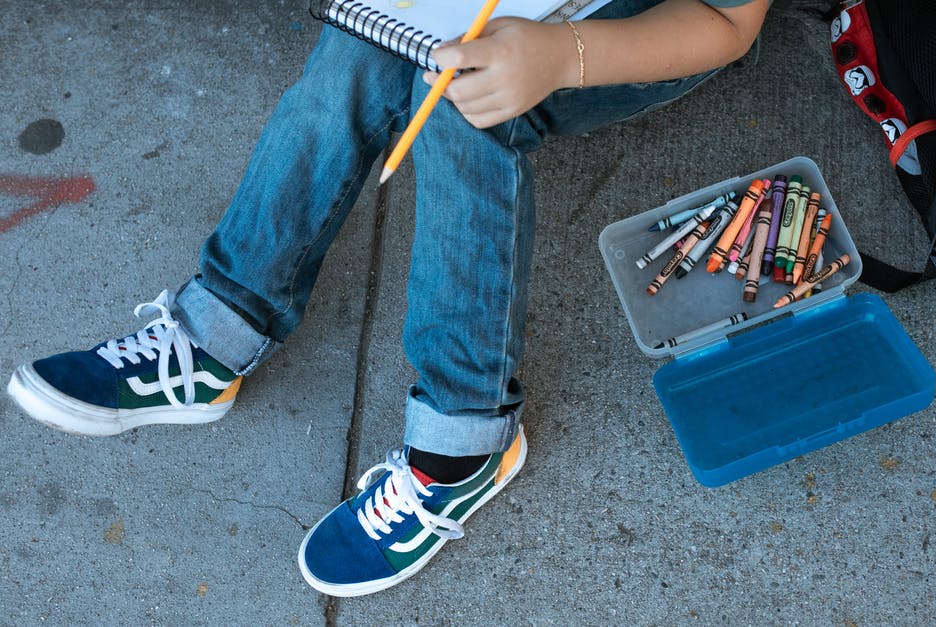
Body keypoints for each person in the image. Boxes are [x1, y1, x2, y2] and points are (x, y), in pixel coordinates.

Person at [6, 0, 768, 598]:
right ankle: (220, 327)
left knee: (461, 107)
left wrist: (559, 59)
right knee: (362, 46)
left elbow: (728, 22)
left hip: (644, 22)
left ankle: (464, 440)